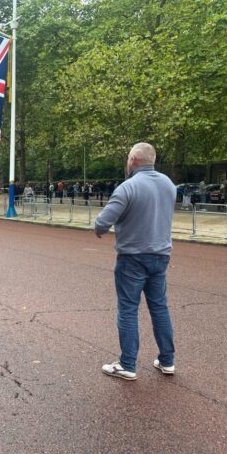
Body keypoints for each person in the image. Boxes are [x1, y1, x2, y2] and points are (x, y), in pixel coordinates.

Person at [94, 142, 176, 381]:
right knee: (159, 307)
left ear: (132, 161)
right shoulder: (169, 184)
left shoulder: (127, 187)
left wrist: (100, 228)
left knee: (128, 309)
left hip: (132, 257)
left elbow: (103, 222)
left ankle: (127, 364)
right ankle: (167, 360)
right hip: (161, 255)